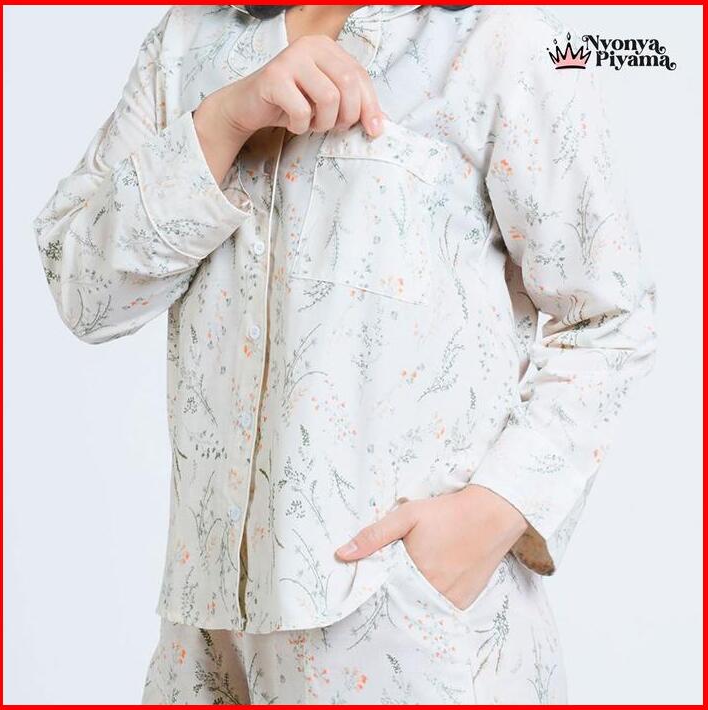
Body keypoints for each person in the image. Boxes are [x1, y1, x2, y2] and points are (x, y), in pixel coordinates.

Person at [33, 4, 658, 705]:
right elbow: (83, 290)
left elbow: (609, 317)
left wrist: (492, 511)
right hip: (201, 652)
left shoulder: (501, 43)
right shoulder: (185, 46)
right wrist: (221, 122)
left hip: (408, 641)